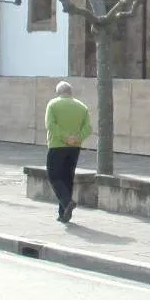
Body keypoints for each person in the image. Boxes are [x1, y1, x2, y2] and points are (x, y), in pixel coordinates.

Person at [45, 80, 91, 223]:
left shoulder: (53, 104)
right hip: (74, 148)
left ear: (58, 92)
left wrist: (65, 137)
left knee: (54, 176)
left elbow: (50, 125)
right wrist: (76, 138)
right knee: (67, 178)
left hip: (57, 145)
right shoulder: (82, 107)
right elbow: (88, 128)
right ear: (71, 92)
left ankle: (66, 201)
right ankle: (64, 213)